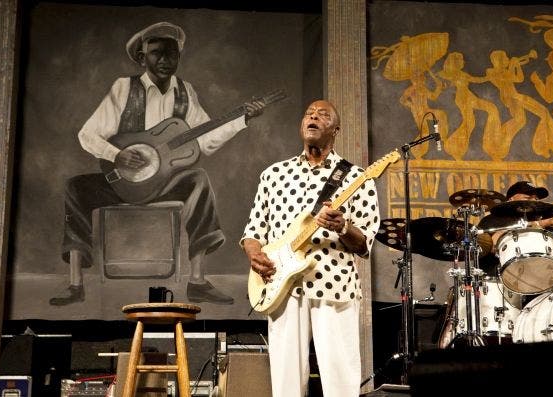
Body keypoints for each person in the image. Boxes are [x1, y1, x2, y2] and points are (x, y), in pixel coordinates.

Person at [50, 21, 265, 306]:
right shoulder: (124, 88)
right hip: (121, 183)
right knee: (75, 187)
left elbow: (205, 138)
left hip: (164, 183)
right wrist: (116, 155)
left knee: (198, 180)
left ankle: (198, 281)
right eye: (157, 53)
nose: (165, 60)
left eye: (172, 54)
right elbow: (87, 134)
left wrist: (242, 120)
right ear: (142, 57)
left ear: (179, 57)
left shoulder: (186, 92)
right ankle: (76, 283)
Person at [240, 100, 380, 397]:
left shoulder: (357, 178)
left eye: (323, 115)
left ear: (336, 130)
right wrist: (255, 255)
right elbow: (253, 232)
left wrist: (342, 226)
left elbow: (365, 242)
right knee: (286, 384)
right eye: (308, 114)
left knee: (341, 382)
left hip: (334, 286)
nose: (313, 117)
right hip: (281, 289)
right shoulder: (273, 175)